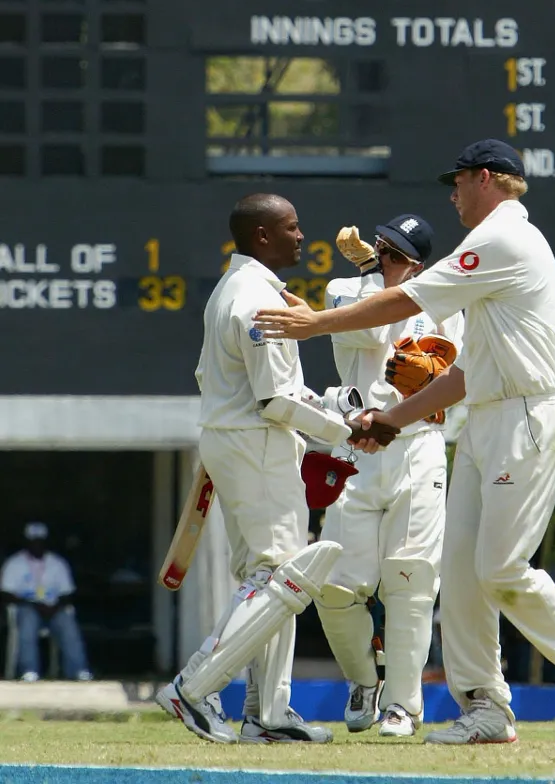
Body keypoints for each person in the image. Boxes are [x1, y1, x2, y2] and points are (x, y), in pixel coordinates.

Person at [253, 140, 555, 745]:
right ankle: (485, 707)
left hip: (525, 418)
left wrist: (317, 322)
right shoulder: (490, 255)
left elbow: (407, 298)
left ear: (486, 178)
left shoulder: (504, 238)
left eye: (457, 182)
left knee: (501, 569)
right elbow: (461, 375)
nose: (451, 194)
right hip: (484, 419)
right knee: (459, 576)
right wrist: (391, 420)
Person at [155, 192, 395, 746]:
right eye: (290, 228)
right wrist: (348, 429)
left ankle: (268, 714)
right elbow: (275, 401)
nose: (300, 236)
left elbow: (235, 383)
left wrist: (333, 410)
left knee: (268, 578)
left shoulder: (232, 290)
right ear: (262, 235)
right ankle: (193, 688)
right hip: (258, 444)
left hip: (237, 442)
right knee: (281, 578)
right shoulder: (258, 302)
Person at [316, 214, 464, 738]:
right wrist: (379, 278)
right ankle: (363, 681)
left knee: (411, 579)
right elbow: (371, 324)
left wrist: (436, 377)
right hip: (357, 447)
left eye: (397, 254)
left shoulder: (445, 305)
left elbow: (457, 376)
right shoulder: (343, 289)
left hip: (417, 447)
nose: (384, 259)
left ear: (419, 263)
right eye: (380, 249)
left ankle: (404, 705)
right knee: (335, 586)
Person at [0, 522, 92, 681]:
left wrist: (55, 606)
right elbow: (6, 594)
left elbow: (68, 593)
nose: (37, 544)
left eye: (40, 541)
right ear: (26, 542)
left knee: (67, 621)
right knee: (27, 619)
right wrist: (33, 604)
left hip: (53, 609)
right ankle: (29, 670)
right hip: (27, 608)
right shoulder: (14, 564)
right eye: (33, 541)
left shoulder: (57, 563)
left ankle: (78, 670)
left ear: (46, 542)